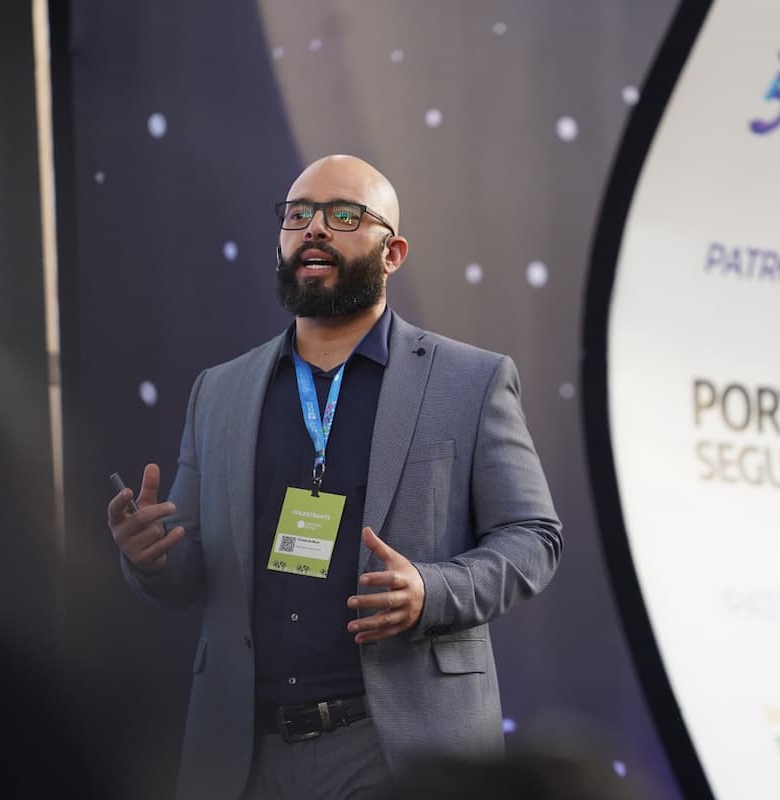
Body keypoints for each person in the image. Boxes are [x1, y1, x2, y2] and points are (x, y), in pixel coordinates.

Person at [107, 154, 563, 800]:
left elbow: (534, 537)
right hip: (245, 751)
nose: (314, 229)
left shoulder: (470, 381)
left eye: (343, 215)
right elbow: (191, 577)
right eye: (298, 215)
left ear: (393, 252)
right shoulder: (222, 391)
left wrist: (429, 592)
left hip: (400, 749)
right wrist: (149, 559)